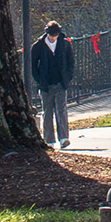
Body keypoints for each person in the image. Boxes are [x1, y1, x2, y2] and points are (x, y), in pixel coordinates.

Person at [26, 20, 78, 148]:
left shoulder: (65, 44)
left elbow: (71, 62)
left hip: (60, 83)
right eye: (51, 36)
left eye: (55, 35)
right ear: (47, 34)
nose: (53, 38)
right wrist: (39, 81)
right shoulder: (38, 46)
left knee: (62, 110)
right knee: (47, 112)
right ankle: (49, 140)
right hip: (46, 85)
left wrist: (67, 78)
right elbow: (33, 66)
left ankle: (64, 138)